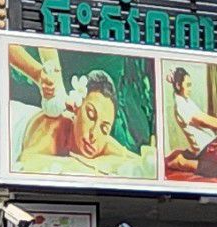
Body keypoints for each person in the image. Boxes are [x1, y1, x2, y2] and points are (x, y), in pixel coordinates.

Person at [10, 46, 145, 175]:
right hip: (7, 125)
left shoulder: (98, 139)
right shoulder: (55, 127)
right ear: (76, 108)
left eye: (104, 129)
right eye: (90, 115)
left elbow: (136, 160)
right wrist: (81, 165)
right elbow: (25, 163)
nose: (94, 133)